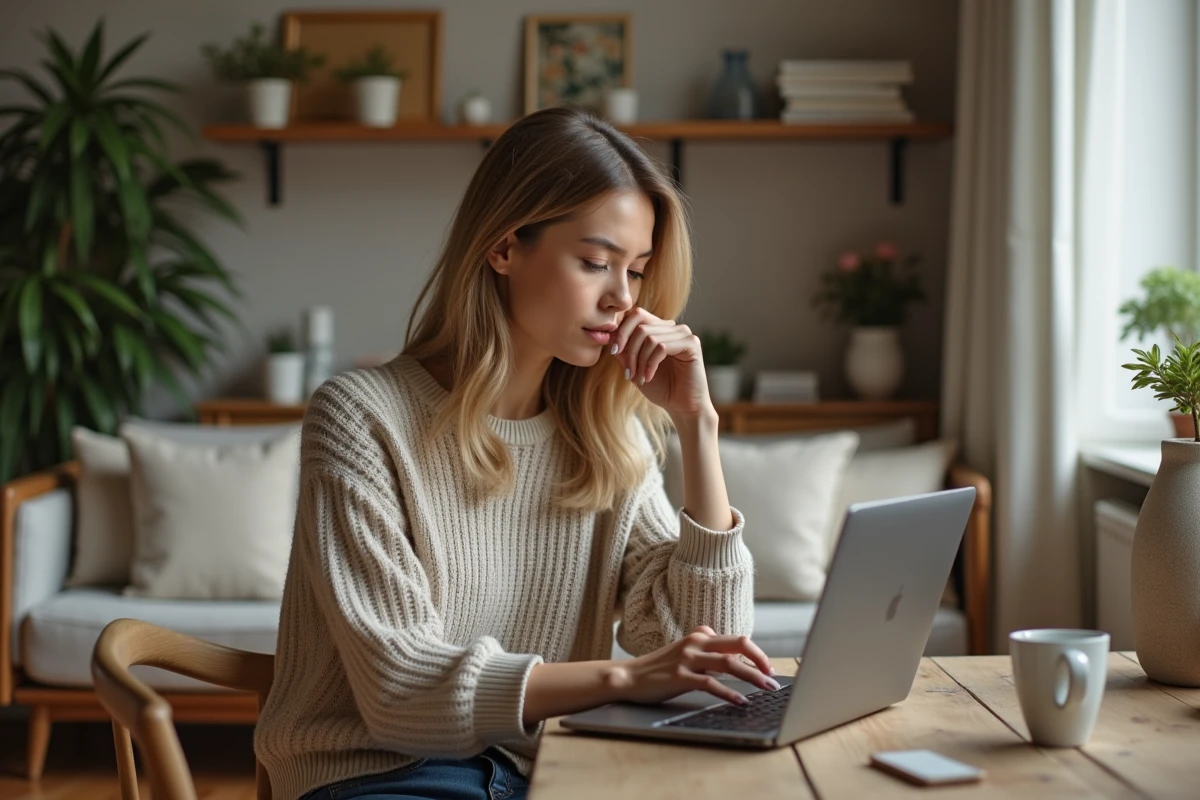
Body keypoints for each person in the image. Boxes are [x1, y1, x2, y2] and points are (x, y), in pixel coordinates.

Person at [254, 106, 778, 800]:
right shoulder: (361, 417)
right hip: (378, 773)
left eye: (638, 271)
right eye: (595, 262)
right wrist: (623, 679)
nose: (622, 299)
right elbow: (398, 690)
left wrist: (697, 425)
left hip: (549, 771)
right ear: (503, 248)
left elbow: (708, 649)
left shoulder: (608, 436)